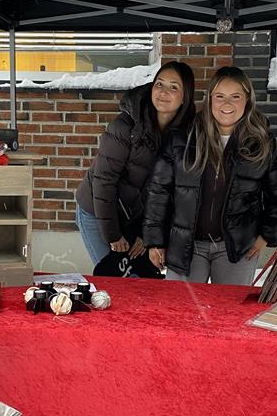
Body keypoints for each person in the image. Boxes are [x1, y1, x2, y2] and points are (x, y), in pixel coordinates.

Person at [143, 66, 277, 284]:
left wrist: (266, 236)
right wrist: (155, 241)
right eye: (219, 96)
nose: (226, 104)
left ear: (247, 100)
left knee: (230, 306)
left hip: (235, 248)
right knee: (180, 305)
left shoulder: (262, 143)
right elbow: (158, 191)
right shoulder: (183, 139)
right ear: (209, 99)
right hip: (187, 245)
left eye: (235, 97)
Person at [75, 61, 196, 270]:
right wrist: (113, 235)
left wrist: (146, 234)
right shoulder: (125, 127)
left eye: (173, 87)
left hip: (133, 217)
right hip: (97, 210)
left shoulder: (184, 135)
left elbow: (165, 192)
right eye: (159, 84)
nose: (163, 92)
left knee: (136, 279)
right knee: (112, 276)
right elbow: (104, 182)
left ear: (185, 96)